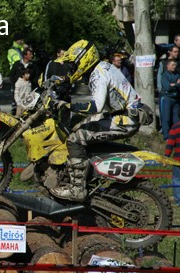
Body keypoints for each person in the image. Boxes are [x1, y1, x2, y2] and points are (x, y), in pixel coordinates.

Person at [47, 40, 153, 201]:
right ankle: (84, 173)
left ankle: (77, 189)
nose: (72, 68)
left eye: (74, 64)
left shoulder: (98, 74)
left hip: (124, 119)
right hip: (121, 115)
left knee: (74, 140)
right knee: (77, 125)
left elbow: (96, 105)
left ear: (84, 59)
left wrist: (67, 104)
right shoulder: (103, 66)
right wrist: (65, 82)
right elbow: (89, 94)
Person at [9, 48, 39, 115]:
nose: (32, 56)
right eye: (30, 54)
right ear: (25, 56)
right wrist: (15, 84)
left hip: (29, 91)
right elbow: (11, 75)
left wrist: (33, 84)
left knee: (29, 111)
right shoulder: (17, 64)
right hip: (19, 90)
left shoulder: (33, 65)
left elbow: (37, 76)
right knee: (17, 109)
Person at [160, 59, 180, 140]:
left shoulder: (177, 74)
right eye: (172, 65)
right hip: (166, 98)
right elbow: (167, 87)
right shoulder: (164, 75)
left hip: (176, 99)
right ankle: (167, 137)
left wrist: (173, 85)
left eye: (175, 65)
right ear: (167, 66)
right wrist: (177, 84)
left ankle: (177, 136)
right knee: (166, 118)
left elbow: (173, 86)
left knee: (176, 120)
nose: (174, 67)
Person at [165, 121, 180, 207]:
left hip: (178, 160)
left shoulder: (175, 127)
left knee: (177, 180)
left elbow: (170, 144)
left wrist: (166, 157)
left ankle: (178, 201)